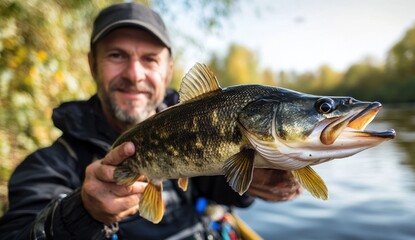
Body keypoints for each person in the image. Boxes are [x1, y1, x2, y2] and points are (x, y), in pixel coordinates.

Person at [0, 3, 301, 239]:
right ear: (92, 65)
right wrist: (81, 211)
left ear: (168, 70)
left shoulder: (202, 130)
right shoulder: (48, 165)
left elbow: (221, 183)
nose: (134, 74)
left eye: (150, 59)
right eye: (117, 55)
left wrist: (258, 182)